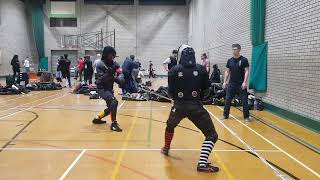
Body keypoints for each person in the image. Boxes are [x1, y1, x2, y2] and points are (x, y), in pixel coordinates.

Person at [161, 44, 219, 173]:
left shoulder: (173, 70)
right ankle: (202, 164)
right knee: (211, 135)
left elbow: (170, 92)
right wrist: (198, 99)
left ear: (181, 55)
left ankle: (166, 148)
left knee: (170, 126)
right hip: (196, 107)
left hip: (178, 106)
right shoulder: (201, 69)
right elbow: (206, 91)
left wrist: (177, 98)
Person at [92, 46, 123, 132]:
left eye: (113, 55)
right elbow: (99, 80)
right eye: (111, 54)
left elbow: (120, 74)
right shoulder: (100, 65)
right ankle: (114, 124)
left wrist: (120, 79)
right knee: (114, 102)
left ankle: (97, 118)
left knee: (111, 107)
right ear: (106, 54)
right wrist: (107, 74)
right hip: (102, 89)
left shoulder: (115, 64)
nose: (112, 56)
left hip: (109, 88)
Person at [221, 44, 250, 121]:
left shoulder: (244, 60)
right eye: (232, 49)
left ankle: (246, 117)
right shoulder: (229, 61)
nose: (233, 51)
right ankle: (225, 115)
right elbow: (227, 71)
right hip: (231, 84)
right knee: (227, 100)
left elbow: (247, 71)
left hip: (241, 84)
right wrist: (224, 82)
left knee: (244, 101)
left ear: (239, 50)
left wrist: (245, 82)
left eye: (235, 49)